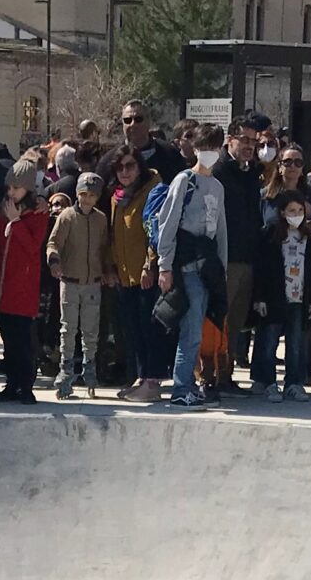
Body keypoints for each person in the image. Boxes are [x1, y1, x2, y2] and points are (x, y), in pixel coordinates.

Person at [153, 124, 228, 409]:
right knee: (191, 330)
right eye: (205, 148)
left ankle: (188, 383)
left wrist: (221, 268)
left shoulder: (217, 186)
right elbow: (167, 223)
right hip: (186, 266)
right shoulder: (185, 181)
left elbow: (221, 231)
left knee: (199, 329)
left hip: (208, 267)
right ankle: (182, 387)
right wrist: (164, 265)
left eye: (214, 148)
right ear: (195, 150)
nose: (210, 153)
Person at [251, 186, 311, 398]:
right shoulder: (270, 236)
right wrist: (259, 298)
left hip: (299, 299)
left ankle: (294, 383)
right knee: (269, 341)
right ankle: (268, 382)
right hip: (274, 298)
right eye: (291, 211)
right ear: (282, 212)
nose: (296, 215)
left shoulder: (310, 239)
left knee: (296, 343)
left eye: (299, 211)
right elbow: (261, 270)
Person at [45, 169, 110, 397]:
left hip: (92, 281)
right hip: (70, 280)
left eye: (92, 195)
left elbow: (104, 248)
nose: (87, 199)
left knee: (91, 328)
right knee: (68, 328)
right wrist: (54, 261)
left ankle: (90, 366)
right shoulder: (67, 217)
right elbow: (53, 243)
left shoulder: (100, 220)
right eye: (83, 194)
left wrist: (107, 268)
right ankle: (66, 369)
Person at [105, 147, 163, 397]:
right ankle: (140, 377)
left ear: (140, 167)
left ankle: (153, 381)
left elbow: (155, 232)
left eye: (130, 166)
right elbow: (114, 235)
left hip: (146, 273)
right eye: (120, 167)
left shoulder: (154, 191)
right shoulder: (116, 197)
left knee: (151, 329)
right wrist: (111, 265)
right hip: (125, 275)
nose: (125, 172)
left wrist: (150, 265)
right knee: (133, 330)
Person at [213, 123, 265, 393]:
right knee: (218, 321)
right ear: (229, 140)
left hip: (247, 258)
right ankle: (211, 376)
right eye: (244, 140)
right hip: (225, 259)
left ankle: (226, 375)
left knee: (235, 322)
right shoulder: (219, 170)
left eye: (253, 142)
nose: (249, 146)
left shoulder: (251, 172)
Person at [0, 174, 46, 404]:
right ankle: (12, 383)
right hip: (3, 286)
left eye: (16, 188)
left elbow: (33, 247)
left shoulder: (38, 214)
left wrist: (17, 222)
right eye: (9, 187)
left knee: (24, 341)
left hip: (23, 287)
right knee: (8, 341)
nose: (11, 193)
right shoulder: (1, 210)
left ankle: (26, 385)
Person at [99, 102, 181, 190]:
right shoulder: (109, 160)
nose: (133, 124)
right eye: (127, 120)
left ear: (148, 121)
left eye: (138, 119)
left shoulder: (170, 154)